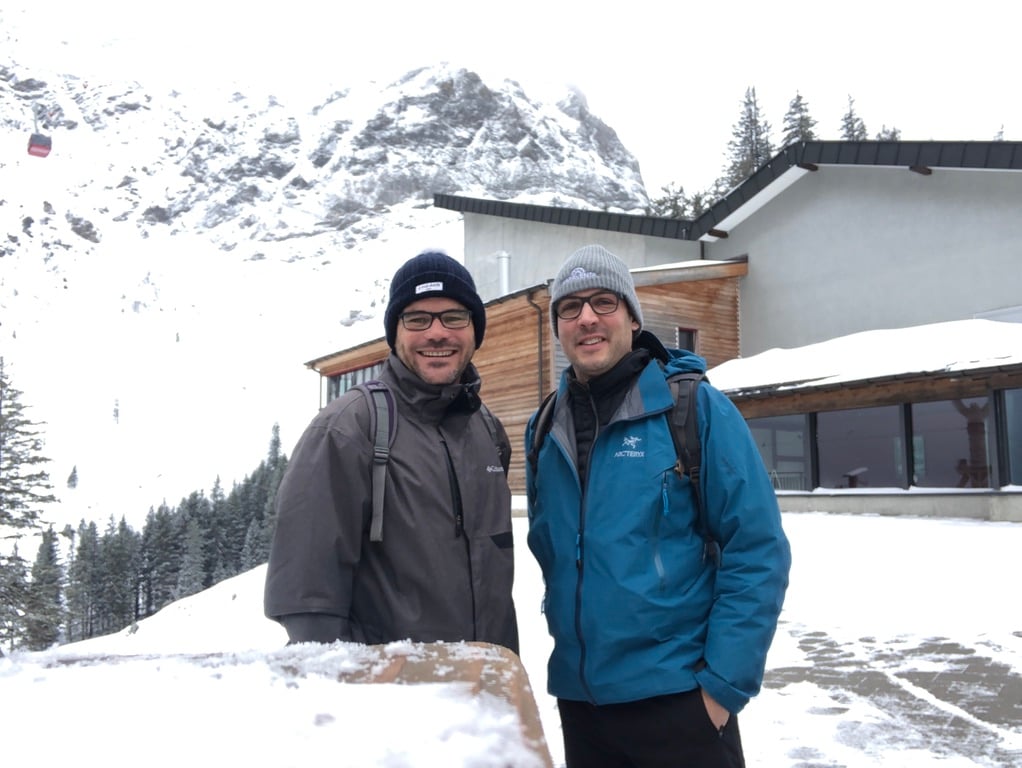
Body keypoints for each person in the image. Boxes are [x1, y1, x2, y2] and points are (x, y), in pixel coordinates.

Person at [525, 244, 791, 767]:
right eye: (570, 307)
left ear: (632, 316)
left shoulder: (692, 407)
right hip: (582, 707)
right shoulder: (544, 427)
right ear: (558, 327)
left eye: (603, 302)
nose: (587, 318)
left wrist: (721, 688)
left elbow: (757, 549)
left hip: (680, 702)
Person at [265, 250, 519, 653]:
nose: (437, 333)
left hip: (486, 683)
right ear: (394, 332)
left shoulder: (487, 429)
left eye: (454, 317)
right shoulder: (348, 429)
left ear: (475, 330)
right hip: (390, 688)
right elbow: (308, 603)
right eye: (417, 319)